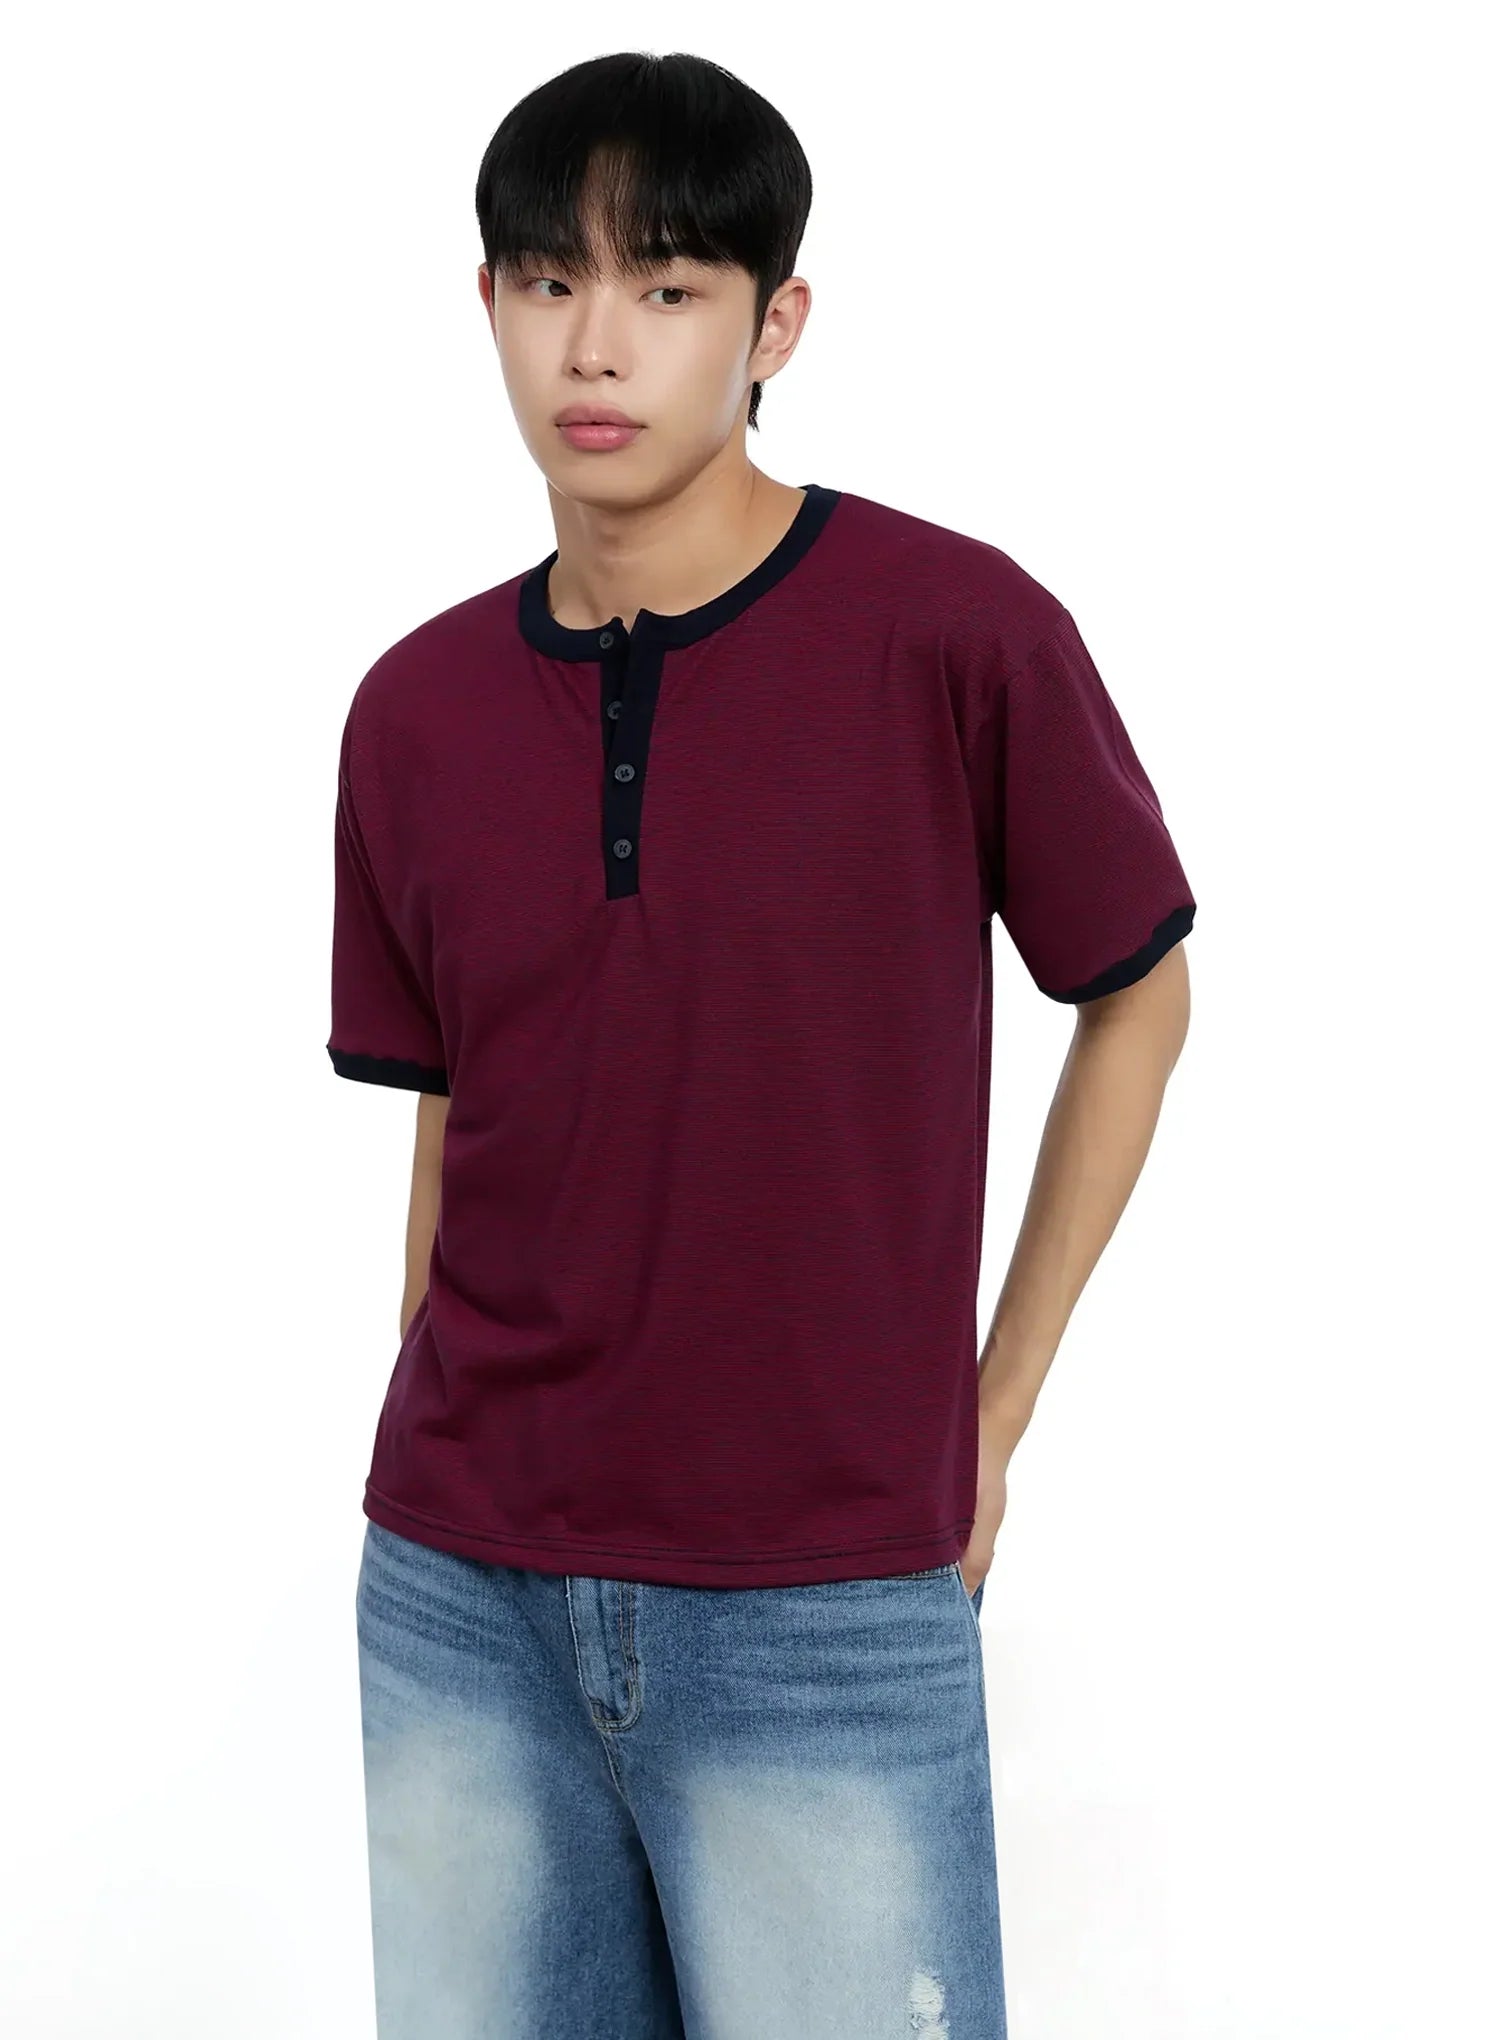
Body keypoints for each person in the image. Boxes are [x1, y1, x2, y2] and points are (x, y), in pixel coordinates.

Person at [328, 47, 1196, 2040]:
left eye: (667, 285)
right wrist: (437, 1432)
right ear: (487, 305)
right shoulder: (413, 710)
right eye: (549, 282)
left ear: (774, 323)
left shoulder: (955, 635)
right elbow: (453, 1110)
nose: (596, 344)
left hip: (827, 1600)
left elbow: (1138, 991)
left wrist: (993, 1412)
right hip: (461, 1601)